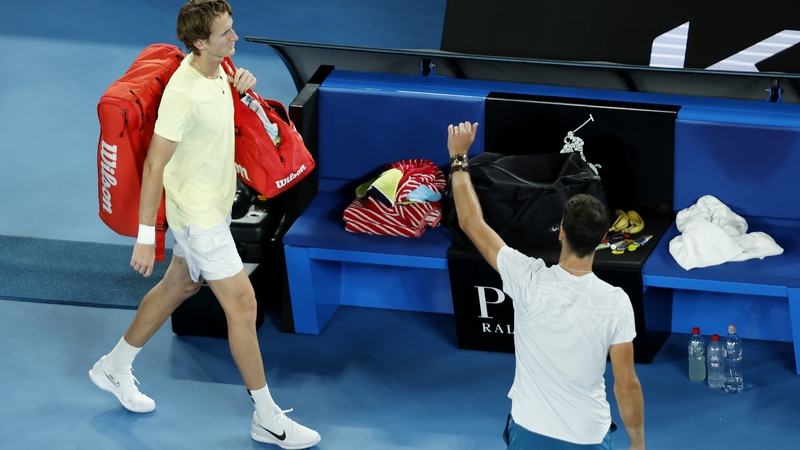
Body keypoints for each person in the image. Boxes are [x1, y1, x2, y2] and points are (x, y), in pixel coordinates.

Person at [88, 1, 320, 448]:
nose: (234, 38)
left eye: (232, 29)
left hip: (213, 207)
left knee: (180, 285)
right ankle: (267, 418)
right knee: (243, 306)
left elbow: (227, 115)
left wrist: (242, 86)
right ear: (199, 42)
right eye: (224, 33)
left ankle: (113, 367)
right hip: (198, 219)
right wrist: (145, 237)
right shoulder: (183, 93)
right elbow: (155, 165)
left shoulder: (219, 71)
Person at [447, 121, 645, 450]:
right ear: (603, 238)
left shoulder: (526, 277)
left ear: (561, 232)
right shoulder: (616, 302)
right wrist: (638, 445)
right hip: (587, 437)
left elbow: (471, 222)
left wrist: (458, 157)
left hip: (529, 431)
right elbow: (627, 386)